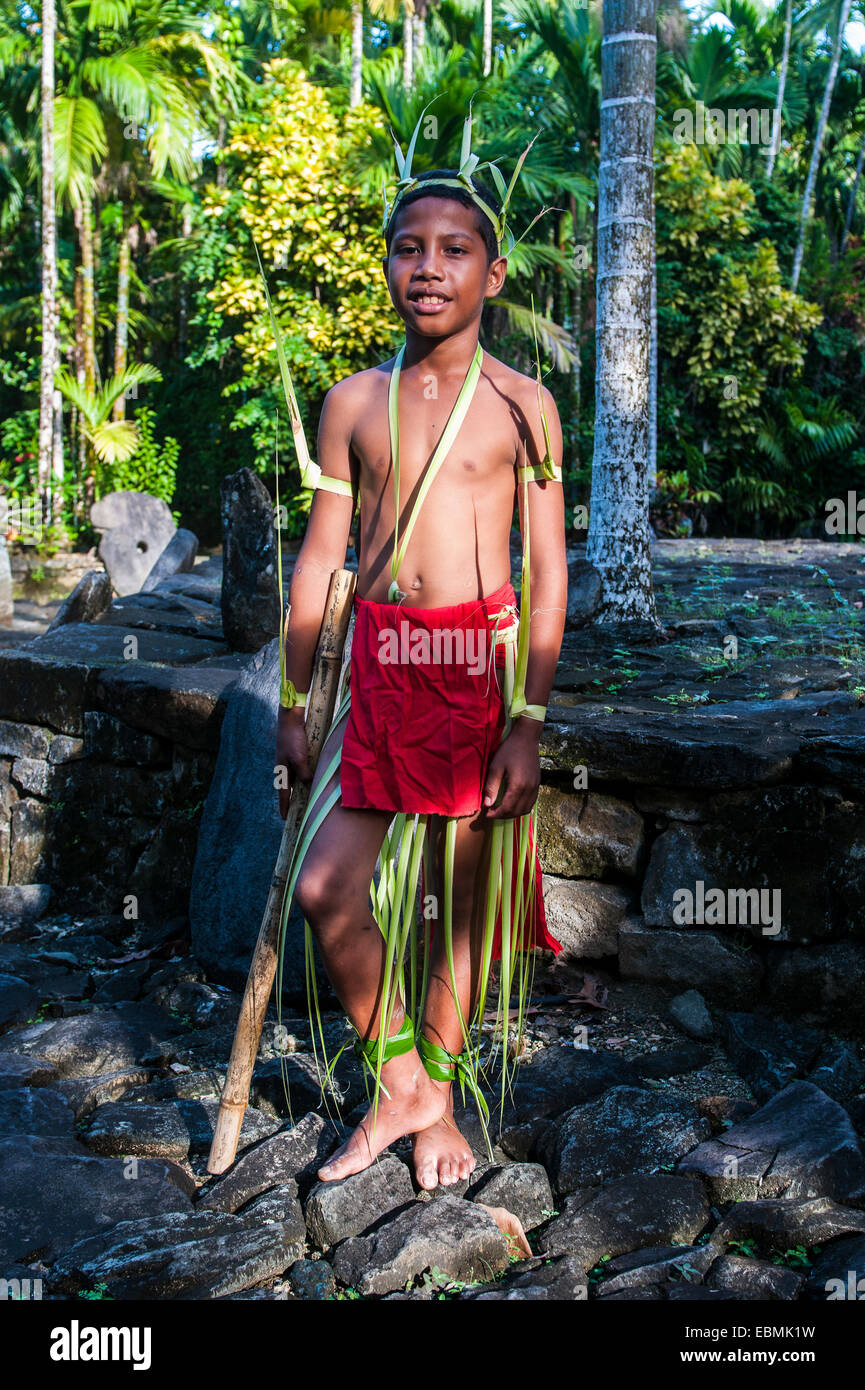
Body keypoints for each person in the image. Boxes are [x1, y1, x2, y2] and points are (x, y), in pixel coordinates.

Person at [274, 103, 568, 1192]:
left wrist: (528, 721)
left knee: (450, 910)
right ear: (387, 268)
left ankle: (435, 1102)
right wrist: (297, 696)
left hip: (474, 675)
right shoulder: (355, 401)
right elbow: (320, 562)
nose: (428, 267)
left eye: (454, 250)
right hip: (378, 670)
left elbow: (546, 574)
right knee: (325, 887)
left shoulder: (522, 405)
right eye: (409, 248)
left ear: (493, 275)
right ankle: (397, 1080)